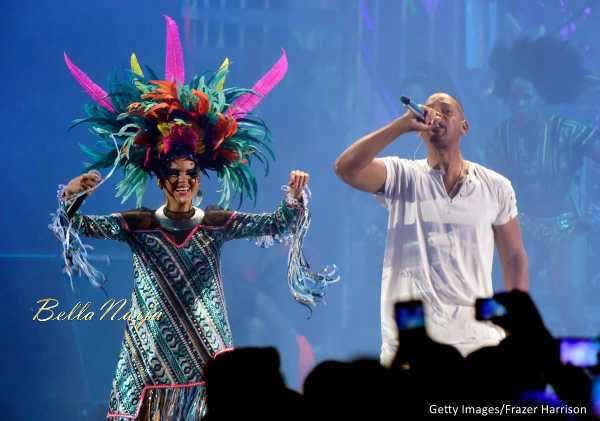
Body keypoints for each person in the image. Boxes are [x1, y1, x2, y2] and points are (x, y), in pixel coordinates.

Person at [51, 16, 335, 420]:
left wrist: (294, 196)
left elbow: (276, 223)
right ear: (160, 179)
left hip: (207, 349)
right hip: (150, 349)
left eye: (190, 174)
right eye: (174, 174)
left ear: (200, 180)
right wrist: (71, 194)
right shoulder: (140, 225)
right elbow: (77, 226)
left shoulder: (216, 222)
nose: (183, 182)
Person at [334, 92, 529, 365]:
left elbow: (514, 256)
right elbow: (346, 168)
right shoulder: (402, 175)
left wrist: (517, 326)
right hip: (411, 347)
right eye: (429, 111)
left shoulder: (495, 186)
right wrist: (399, 126)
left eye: (446, 110)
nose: (436, 116)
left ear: (464, 126)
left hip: (477, 343)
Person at [486, 36, 600, 335]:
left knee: (570, 303)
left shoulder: (568, 131)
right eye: (514, 98)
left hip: (567, 226)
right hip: (524, 226)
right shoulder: (501, 137)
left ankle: (582, 370)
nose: (519, 104)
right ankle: (516, 367)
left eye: (527, 97)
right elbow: (492, 188)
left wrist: (595, 210)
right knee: (511, 298)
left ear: (544, 97)